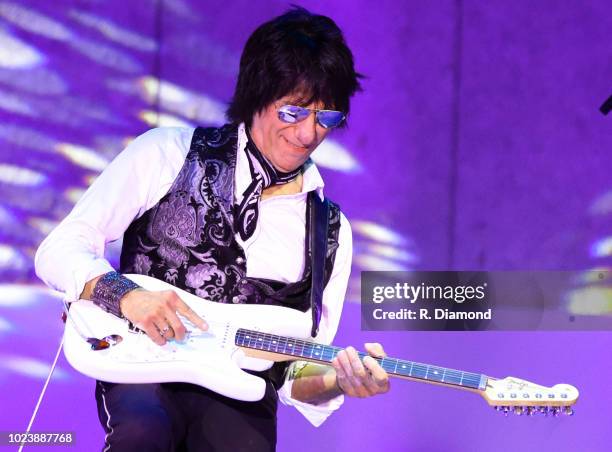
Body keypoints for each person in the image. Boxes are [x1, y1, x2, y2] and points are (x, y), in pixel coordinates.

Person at [35, 6, 389, 452]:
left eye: (326, 118)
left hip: (239, 394)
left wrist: (339, 381)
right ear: (255, 96)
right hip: (143, 365)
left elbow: (294, 374)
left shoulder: (331, 232)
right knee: (145, 433)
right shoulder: (168, 153)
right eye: (293, 112)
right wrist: (124, 295)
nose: (307, 134)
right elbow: (60, 248)